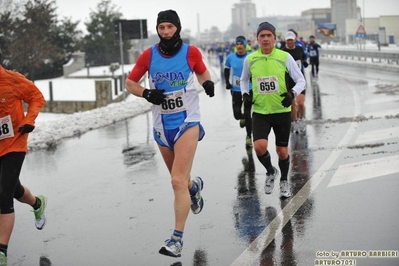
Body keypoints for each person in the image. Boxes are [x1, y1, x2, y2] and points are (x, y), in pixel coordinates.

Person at [125, 10, 215, 258]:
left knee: (175, 181)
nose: (165, 32)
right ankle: (194, 188)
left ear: (178, 28)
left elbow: (202, 71)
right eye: (161, 27)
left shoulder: (191, 52)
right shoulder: (148, 55)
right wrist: (146, 93)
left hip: (188, 121)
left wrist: (207, 82)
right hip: (161, 127)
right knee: (182, 182)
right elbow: (130, 82)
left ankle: (176, 240)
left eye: (169, 27)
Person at [240, 22, 306, 198]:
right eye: (262, 36)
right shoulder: (251, 59)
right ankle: (270, 171)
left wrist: (292, 93)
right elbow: (243, 79)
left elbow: (301, 81)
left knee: (282, 151)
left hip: (281, 110)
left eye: (269, 35)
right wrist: (246, 94)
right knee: (259, 147)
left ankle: (284, 180)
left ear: (275, 38)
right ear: (257, 39)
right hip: (260, 111)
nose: (266, 39)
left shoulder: (285, 57)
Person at [0, 48, 47, 266]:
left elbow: (36, 97)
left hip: (14, 143)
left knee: (3, 194)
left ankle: (2, 252)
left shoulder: (12, 80)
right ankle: (37, 203)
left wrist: (29, 119)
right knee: (14, 189)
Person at [224, 36, 253, 147]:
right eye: (237, 44)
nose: (239, 46)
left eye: (241, 44)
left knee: (247, 113)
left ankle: (249, 137)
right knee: (237, 114)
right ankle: (243, 119)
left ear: (245, 45)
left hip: (248, 89)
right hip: (235, 89)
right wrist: (227, 82)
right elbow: (226, 69)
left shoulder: (250, 56)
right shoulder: (230, 57)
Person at [282, 31, 308, 134]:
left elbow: (304, 58)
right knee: (293, 105)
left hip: (300, 81)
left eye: (291, 40)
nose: (289, 42)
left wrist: (305, 62)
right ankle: (295, 121)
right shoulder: (282, 52)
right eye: (288, 40)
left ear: (295, 40)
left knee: (301, 103)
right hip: (289, 82)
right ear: (285, 41)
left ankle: (301, 119)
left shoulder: (300, 49)